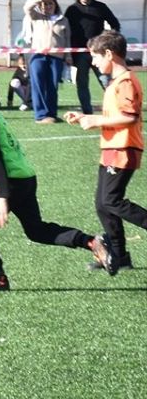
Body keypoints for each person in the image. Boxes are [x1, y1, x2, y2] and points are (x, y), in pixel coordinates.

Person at [0, 62, 111, 291]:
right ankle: (91, 242)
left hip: (12, 182)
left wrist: (3, 198)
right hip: (25, 178)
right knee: (37, 231)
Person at [64, 30, 145, 275]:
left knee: (112, 200)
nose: (94, 62)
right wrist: (85, 118)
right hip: (111, 148)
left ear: (109, 54)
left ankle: (120, 255)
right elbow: (115, 116)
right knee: (102, 204)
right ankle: (120, 256)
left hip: (124, 148)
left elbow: (130, 117)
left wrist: (95, 121)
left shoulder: (126, 82)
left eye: (96, 57)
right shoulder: (116, 82)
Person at [65, 0, 121, 115]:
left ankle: (115, 110)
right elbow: (65, 31)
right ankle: (87, 113)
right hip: (79, 55)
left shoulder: (101, 7)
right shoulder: (71, 10)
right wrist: (68, 54)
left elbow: (115, 25)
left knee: (106, 82)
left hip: (99, 54)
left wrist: (106, 40)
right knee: (82, 85)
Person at [21, 0, 69, 124]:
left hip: (56, 57)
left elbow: (67, 39)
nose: (48, 6)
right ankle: (41, 115)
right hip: (38, 56)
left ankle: (52, 114)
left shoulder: (63, 20)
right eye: (45, 4)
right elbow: (27, 8)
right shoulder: (36, 17)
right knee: (38, 86)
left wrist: (68, 56)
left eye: (50, 3)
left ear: (55, 5)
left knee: (52, 87)